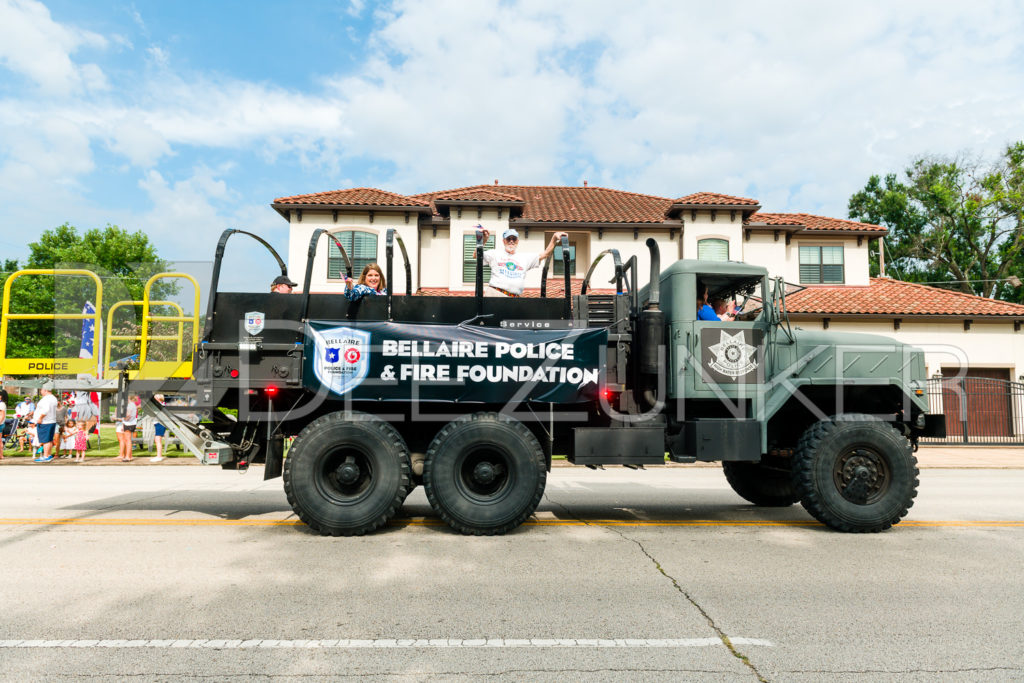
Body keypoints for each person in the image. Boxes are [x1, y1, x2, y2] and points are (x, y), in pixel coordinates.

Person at [474, 226, 568, 297]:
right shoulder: (494, 254)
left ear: (517, 241)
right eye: (508, 239)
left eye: (514, 239)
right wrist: (482, 241)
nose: (511, 241)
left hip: (514, 299)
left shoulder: (524, 257)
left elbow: (545, 254)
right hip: (495, 294)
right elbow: (476, 256)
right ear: (504, 241)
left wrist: (554, 237)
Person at [30, 383, 59, 463]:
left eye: (41, 390)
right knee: (49, 439)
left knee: (45, 440)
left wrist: (40, 418)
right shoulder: (53, 398)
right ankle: (48, 455)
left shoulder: (46, 399)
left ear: (45, 390)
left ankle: (46, 456)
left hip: (45, 422)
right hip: (51, 421)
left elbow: (45, 410)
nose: (41, 391)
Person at [115, 394, 139, 462]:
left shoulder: (130, 405)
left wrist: (123, 418)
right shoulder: (133, 404)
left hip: (129, 424)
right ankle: (129, 456)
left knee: (127, 440)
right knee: (128, 440)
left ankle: (128, 456)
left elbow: (128, 415)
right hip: (131, 423)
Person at [150, 394, 167, 463]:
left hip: (160, 424)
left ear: (159, 399)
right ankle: (158, 456)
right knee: (157, 440)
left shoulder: (160, 405)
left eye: (155, 398)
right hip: (158, 424)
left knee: (157, 440)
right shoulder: (162, 404)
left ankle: (159, 456)